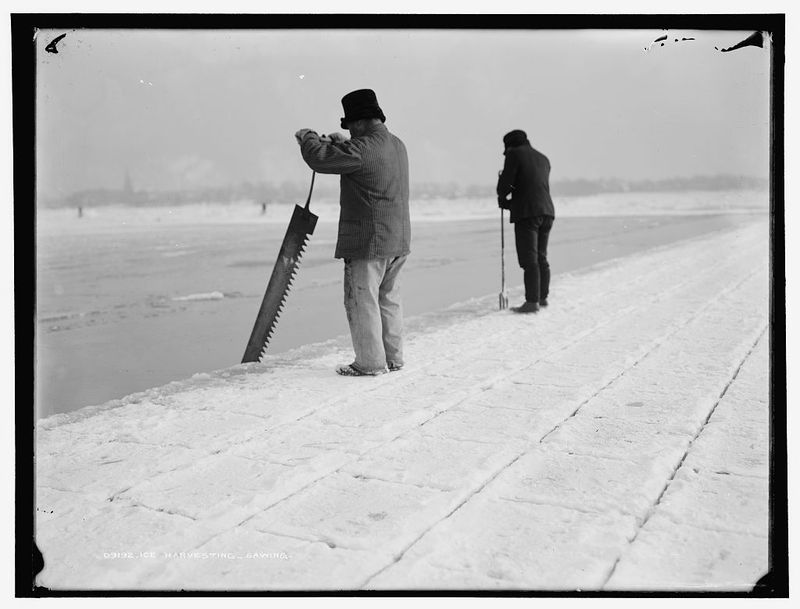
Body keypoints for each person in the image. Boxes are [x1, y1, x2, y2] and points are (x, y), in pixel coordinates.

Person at [294, 88, 411, 376]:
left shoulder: (362, 150)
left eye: (350, 126)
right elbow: (358, 156)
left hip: (368, 241)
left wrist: (307, 137)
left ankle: (370, 363)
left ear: (359, 122)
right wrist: (343, 142)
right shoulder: (396, 144)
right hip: (397, 239)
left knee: (361, 300)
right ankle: (393, 358)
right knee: (387, 299)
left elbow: (320, 159)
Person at [496, 129, 555, 314]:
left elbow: (507, 185)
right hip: (547, 211)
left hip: (528, 213)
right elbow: (531, 184)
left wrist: (504, 196)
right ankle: (542, 297)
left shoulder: (515, 154)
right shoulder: (543, 158)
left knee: (529, 259)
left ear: (510, 145)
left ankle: (531, 302)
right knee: (541, 256)